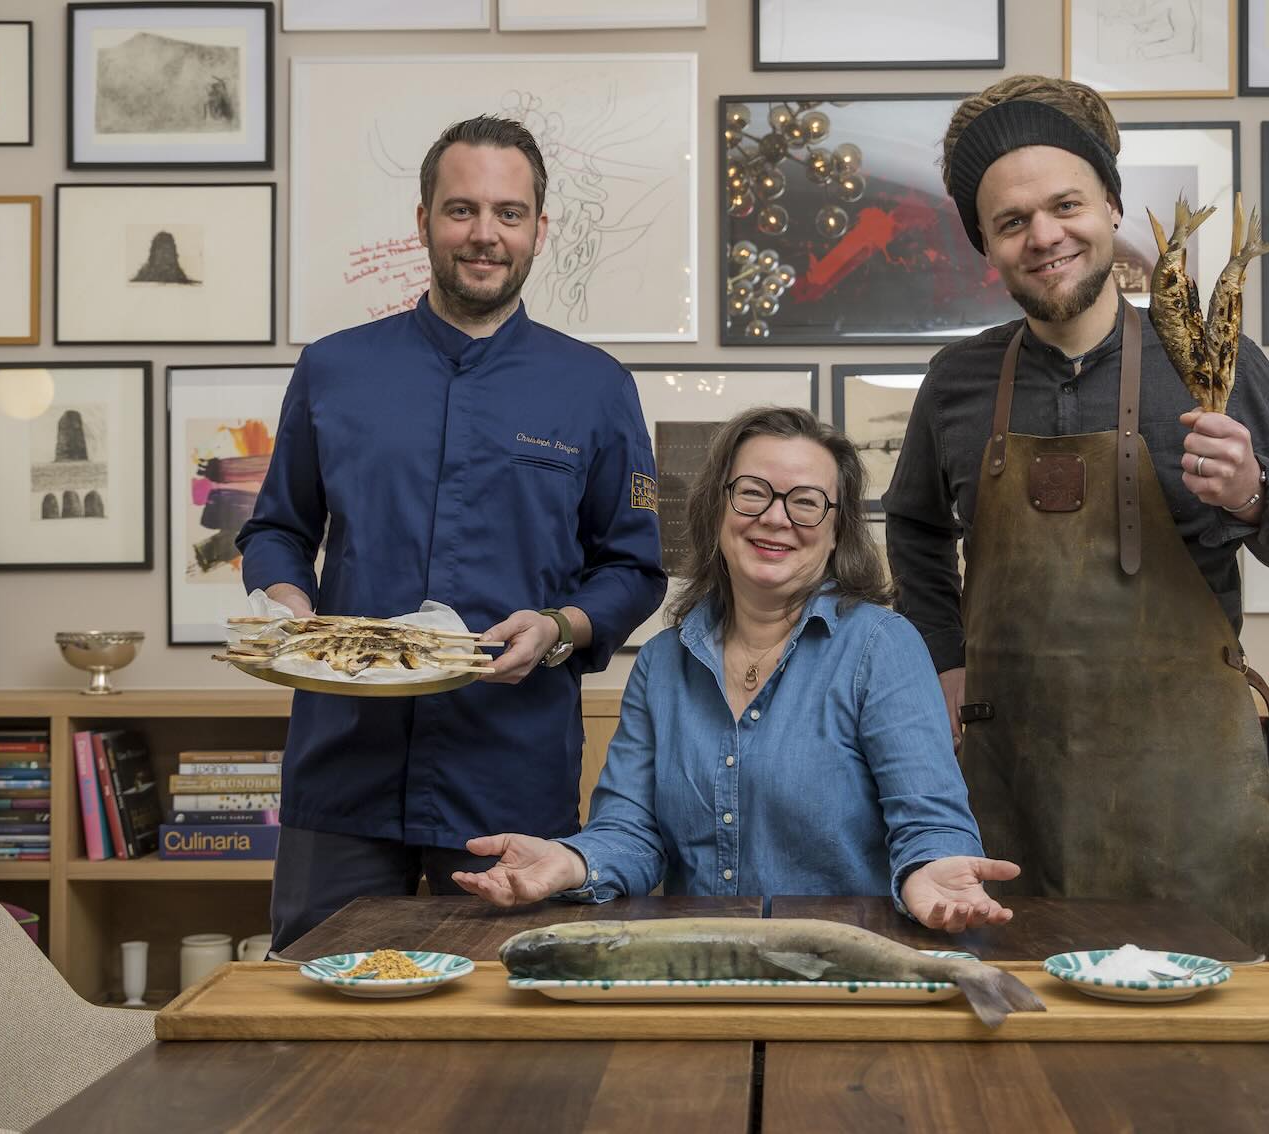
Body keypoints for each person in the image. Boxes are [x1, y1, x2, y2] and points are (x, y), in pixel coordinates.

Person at [882, 76, 1269, 958]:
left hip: (1188, 790)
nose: (1044, 236)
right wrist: (942, 659)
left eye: (1066, 206)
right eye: (1012, 221)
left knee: (1195, 1032)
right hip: (1009, 781)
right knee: (1010, 1015)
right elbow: (913, 527)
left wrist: (1254, 492)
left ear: (1112, 207)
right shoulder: (956, 382)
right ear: (986, 245)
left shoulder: (1212, 364)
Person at [237, 115, 667, 950]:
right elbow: (277, 528)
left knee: (505, 1011)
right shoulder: (333, 369)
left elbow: (633, 567)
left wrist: (559, 627)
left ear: (540, 228)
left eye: (509, 213)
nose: (484, 234)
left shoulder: (597, 388)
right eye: (461, 209)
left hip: (508, 773)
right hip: (343, 765)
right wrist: (287, 606)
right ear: (424, 219)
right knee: (315, 1006)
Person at [453, 407, 1020, 932]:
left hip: (843, 968)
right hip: (699, 967)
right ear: (717, 509)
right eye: (752, 492)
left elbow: (929, 821)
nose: (775, 518)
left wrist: (932, 870)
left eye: (806, 502)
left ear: (837, 530)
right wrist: (572, 862)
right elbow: (630, 832)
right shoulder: (662, 662)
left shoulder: (882, 646)